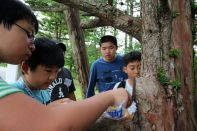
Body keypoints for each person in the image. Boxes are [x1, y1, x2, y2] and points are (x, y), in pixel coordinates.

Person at [0, 0, 130, 130]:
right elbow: (50, 124)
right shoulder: (16, 90)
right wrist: (110, 96)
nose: (32, 45)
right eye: (29, 34)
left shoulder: (42, 91)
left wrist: (48, 110)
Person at [11, 38, 65, 105]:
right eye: (48, 70)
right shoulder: (12, 94)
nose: (53, 77)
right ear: (25, 68)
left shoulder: (44, 91)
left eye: (57, 71)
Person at [113, 51, 141, 117]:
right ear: (125, 69)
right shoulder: (119, 86)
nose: (137, 71)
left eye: (140, 68)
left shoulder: (149, 87)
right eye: (132, 68)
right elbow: (115, 106)